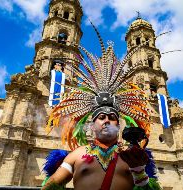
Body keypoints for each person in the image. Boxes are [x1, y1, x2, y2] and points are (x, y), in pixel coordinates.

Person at [42, 23, 161, 190]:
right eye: (101, 117)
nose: (106, 120)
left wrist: (139, 171)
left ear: (119, 125)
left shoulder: (134, 157)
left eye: (112, 118)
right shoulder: (77, 155)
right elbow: (50, 186)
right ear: (91, 125)